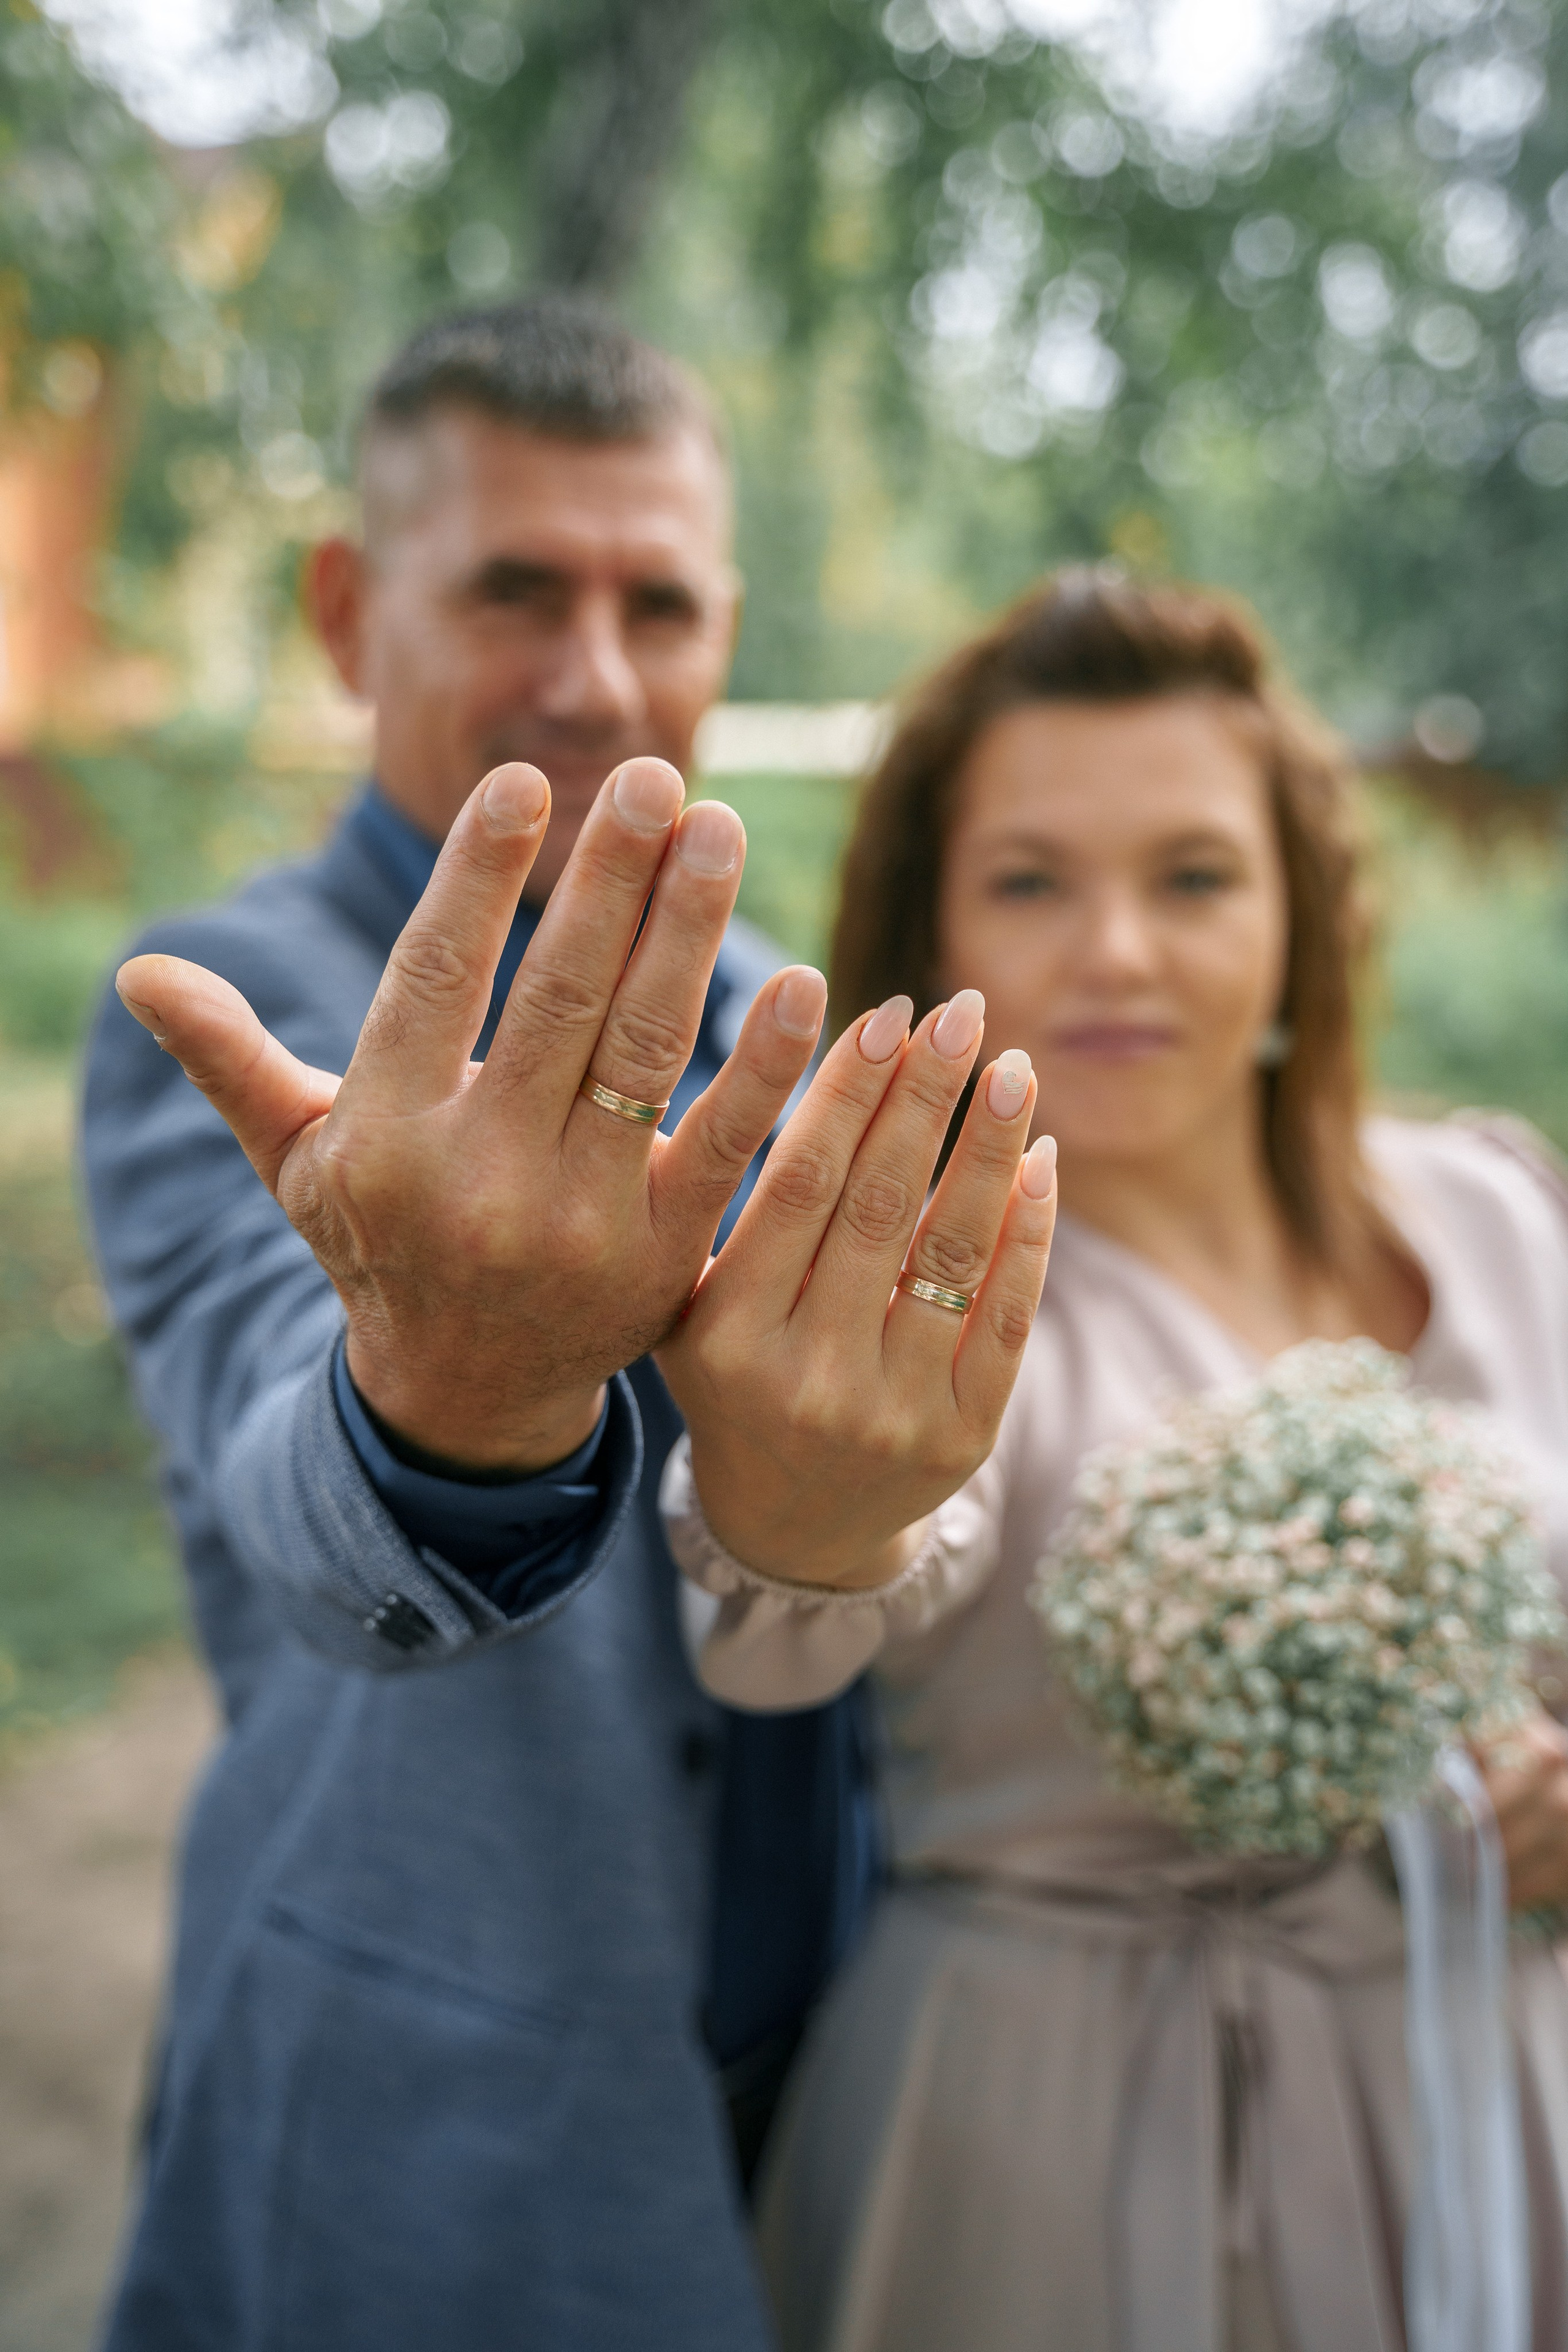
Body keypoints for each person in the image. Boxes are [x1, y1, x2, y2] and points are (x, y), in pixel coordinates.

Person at [81, 296, 1057, 2351]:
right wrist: (446, 1399)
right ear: (350, 611)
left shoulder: (806, 1023)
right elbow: (290, 1460)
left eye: (663, 601)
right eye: (517, 584)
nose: (597, 672)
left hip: (852, 2082)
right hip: (434, 2118)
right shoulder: (236, 1010)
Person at [662, 570, 1568, 2352]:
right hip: (1049, 2151)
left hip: (1497, 2098)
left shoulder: (1495, 1208)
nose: (1120, 951)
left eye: (1195, 876)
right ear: (936, 923)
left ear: (1299, 911)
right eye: (1031, 881)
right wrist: (786, 1506)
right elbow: (820, 1559)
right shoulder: (904, 1279)